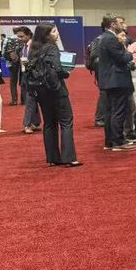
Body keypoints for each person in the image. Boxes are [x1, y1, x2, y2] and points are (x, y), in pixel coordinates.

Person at [25, 23, 81, 167]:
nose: (57, 34)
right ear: (47, 34)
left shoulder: (33, 49)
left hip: (41, 91)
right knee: (66, 122)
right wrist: (66, 73)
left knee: (49, 124)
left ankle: (52, 157)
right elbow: (57, 68)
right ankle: (69, 157)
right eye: (54, 31)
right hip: (56, 90)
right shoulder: (51, 48)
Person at [97, 15, 136, 152]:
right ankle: (118, 142)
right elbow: (122, 58)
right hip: (116, 80)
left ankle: (110, 141)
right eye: (121, 22)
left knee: (111, 112)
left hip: (110, 80)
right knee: (118, 112)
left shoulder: (106, 37)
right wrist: (130, 52)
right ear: (113, 24)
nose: (124, 25)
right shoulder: (111, 38)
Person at [4, 26, 28, 105]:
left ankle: (14, 100)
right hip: (23, 60)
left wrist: (7, 59)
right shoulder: (23, 39)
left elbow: (4, 50)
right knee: (23, 79)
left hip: (13, 61)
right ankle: (24, 100)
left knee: (13, 81)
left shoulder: (8, 39)